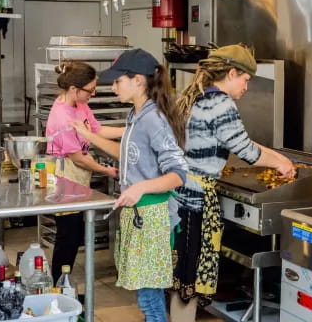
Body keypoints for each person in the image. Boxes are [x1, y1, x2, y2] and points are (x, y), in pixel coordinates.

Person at [170, 44, 296, 322]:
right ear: (231, 73)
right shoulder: (221, 103)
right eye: (246, 79)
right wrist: (279, 164)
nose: (247, 87)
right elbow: (247, 152)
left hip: (182, 195)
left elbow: (242, 143)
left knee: (181, 280)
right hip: (196, 200)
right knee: (187, 284)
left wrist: (280, 157)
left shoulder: (198, 97)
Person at [72, 49, 187, 322]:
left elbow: (178, 174)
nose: (112, 88)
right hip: (140, 217)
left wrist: (140, 187)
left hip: (153, 216)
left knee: (149, 299)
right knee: (146, 294)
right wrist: (88, 135)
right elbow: (128, 153)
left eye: (117, 81)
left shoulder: (154, 120)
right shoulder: (136, 115)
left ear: (138, 81)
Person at [45, 61, 124, 283]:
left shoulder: (79, 105)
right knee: (67, 238)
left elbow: (97, 131)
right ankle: (58, 288)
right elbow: (78, 158)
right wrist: (106, 170)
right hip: (65, 179)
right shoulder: (62, 116)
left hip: (78, 179)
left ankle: (63, 286)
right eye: (90, 90)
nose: (93, 93)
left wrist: (129, 130)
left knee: (74, 234)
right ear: (73, 90)